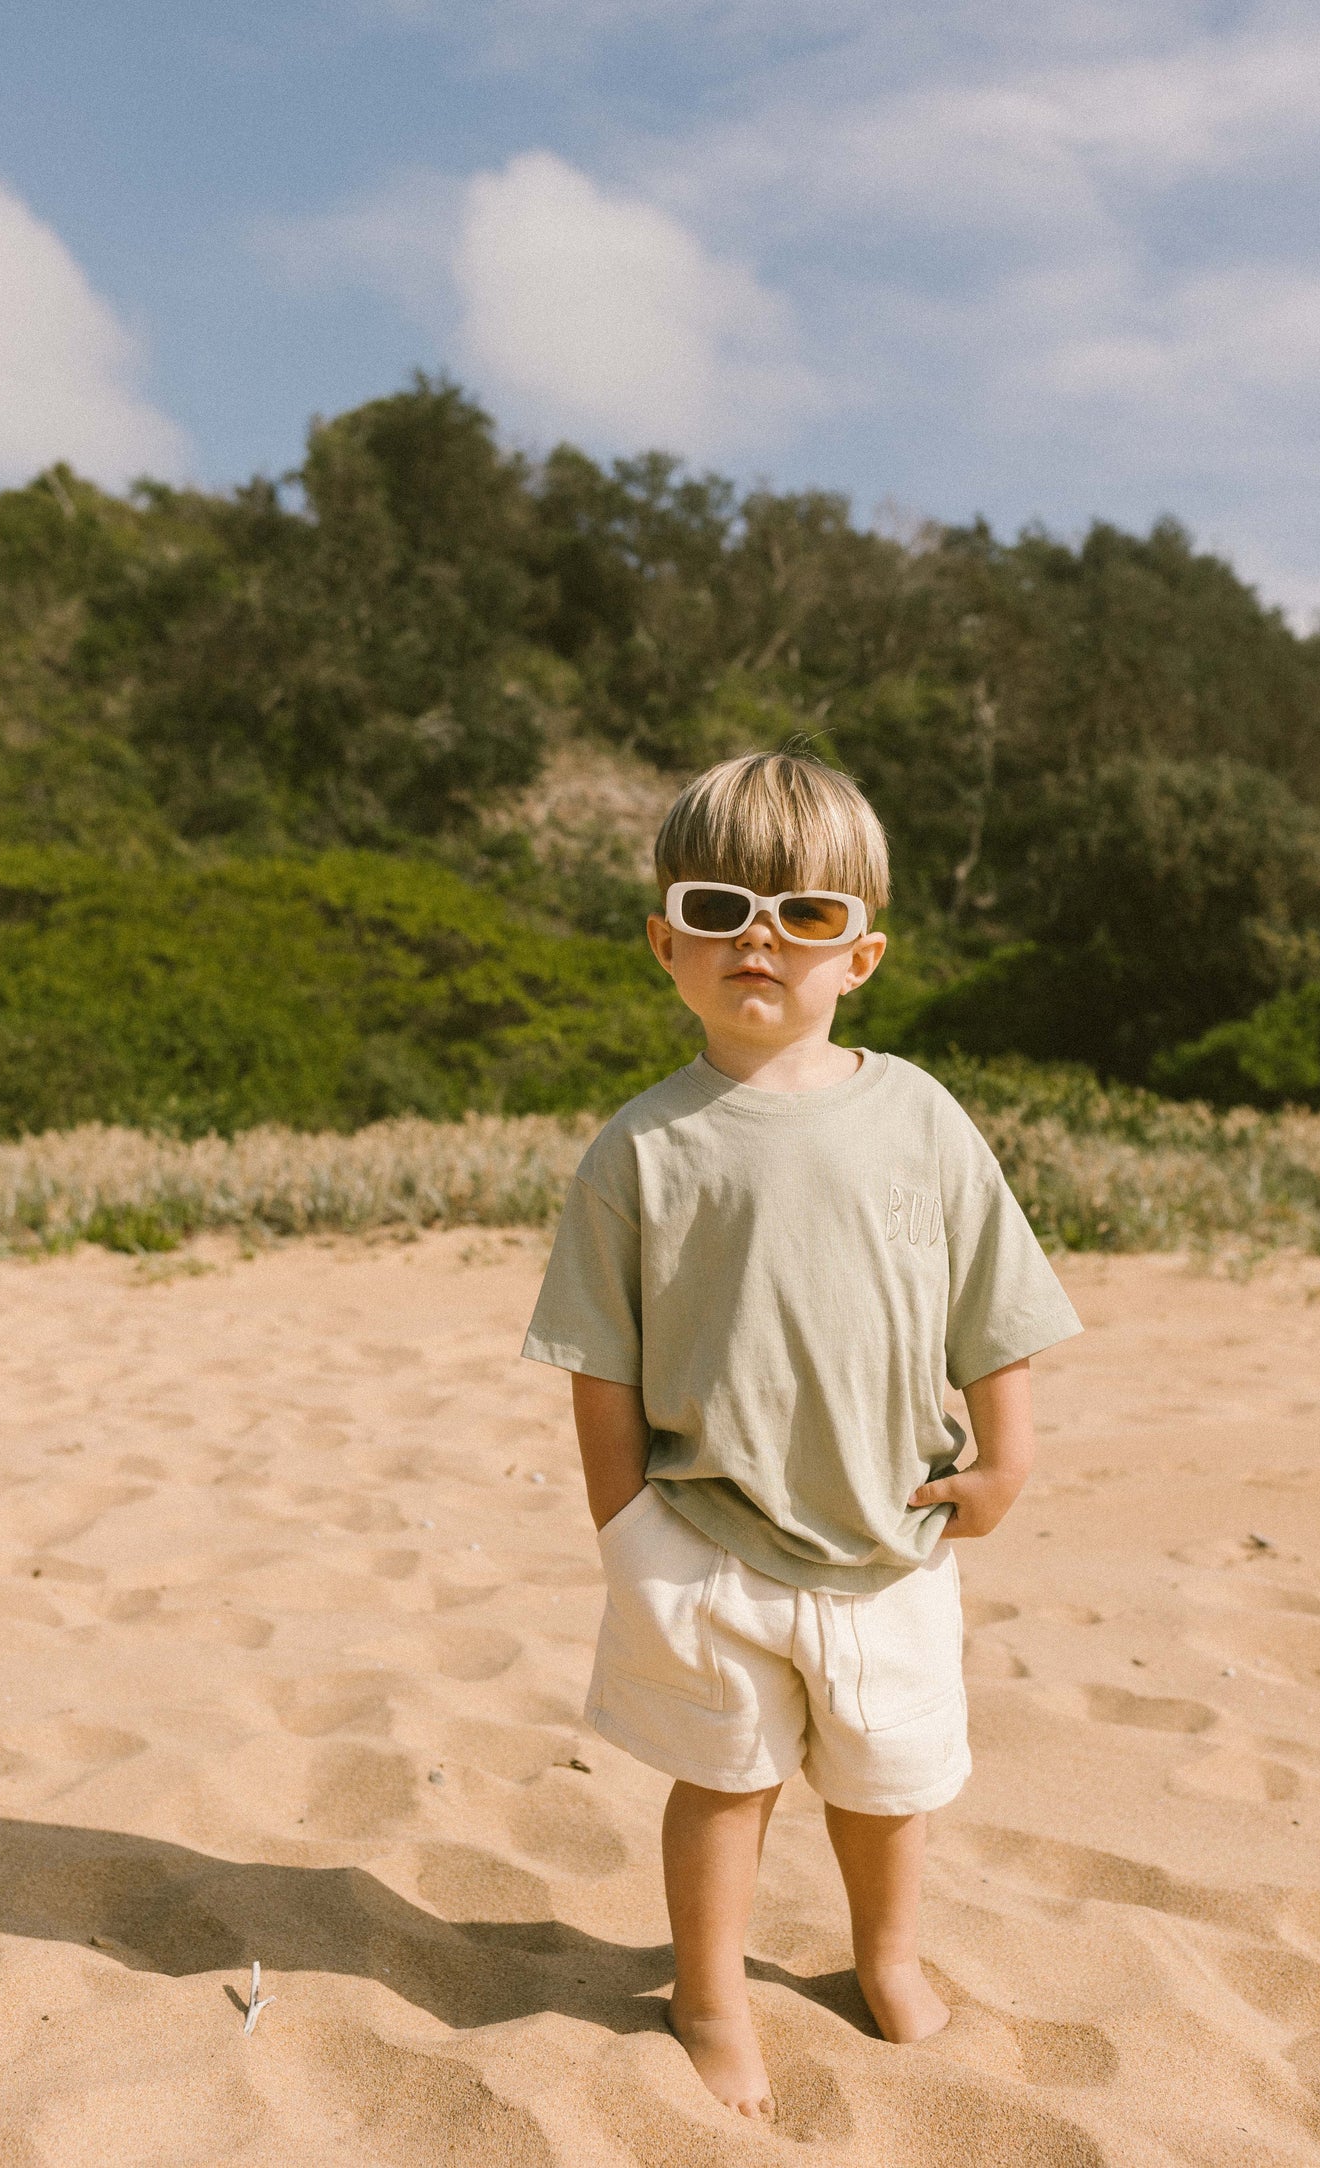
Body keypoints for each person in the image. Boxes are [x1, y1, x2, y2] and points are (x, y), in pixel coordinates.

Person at [521, 750, 1082, 2120]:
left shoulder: (921, 1120)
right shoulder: (640, 1151)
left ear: (862, 956)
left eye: (804, 916)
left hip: (893, 1529)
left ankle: (883, 1957)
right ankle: (710, 1997)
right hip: (705, 1534)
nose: (756, 940)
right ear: (666, 943)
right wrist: (623, 1527)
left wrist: (1004, 1459)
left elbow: (990, 1303)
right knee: (724, 1783)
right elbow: (598, 1363)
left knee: (888, 1783)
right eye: (717, 910)